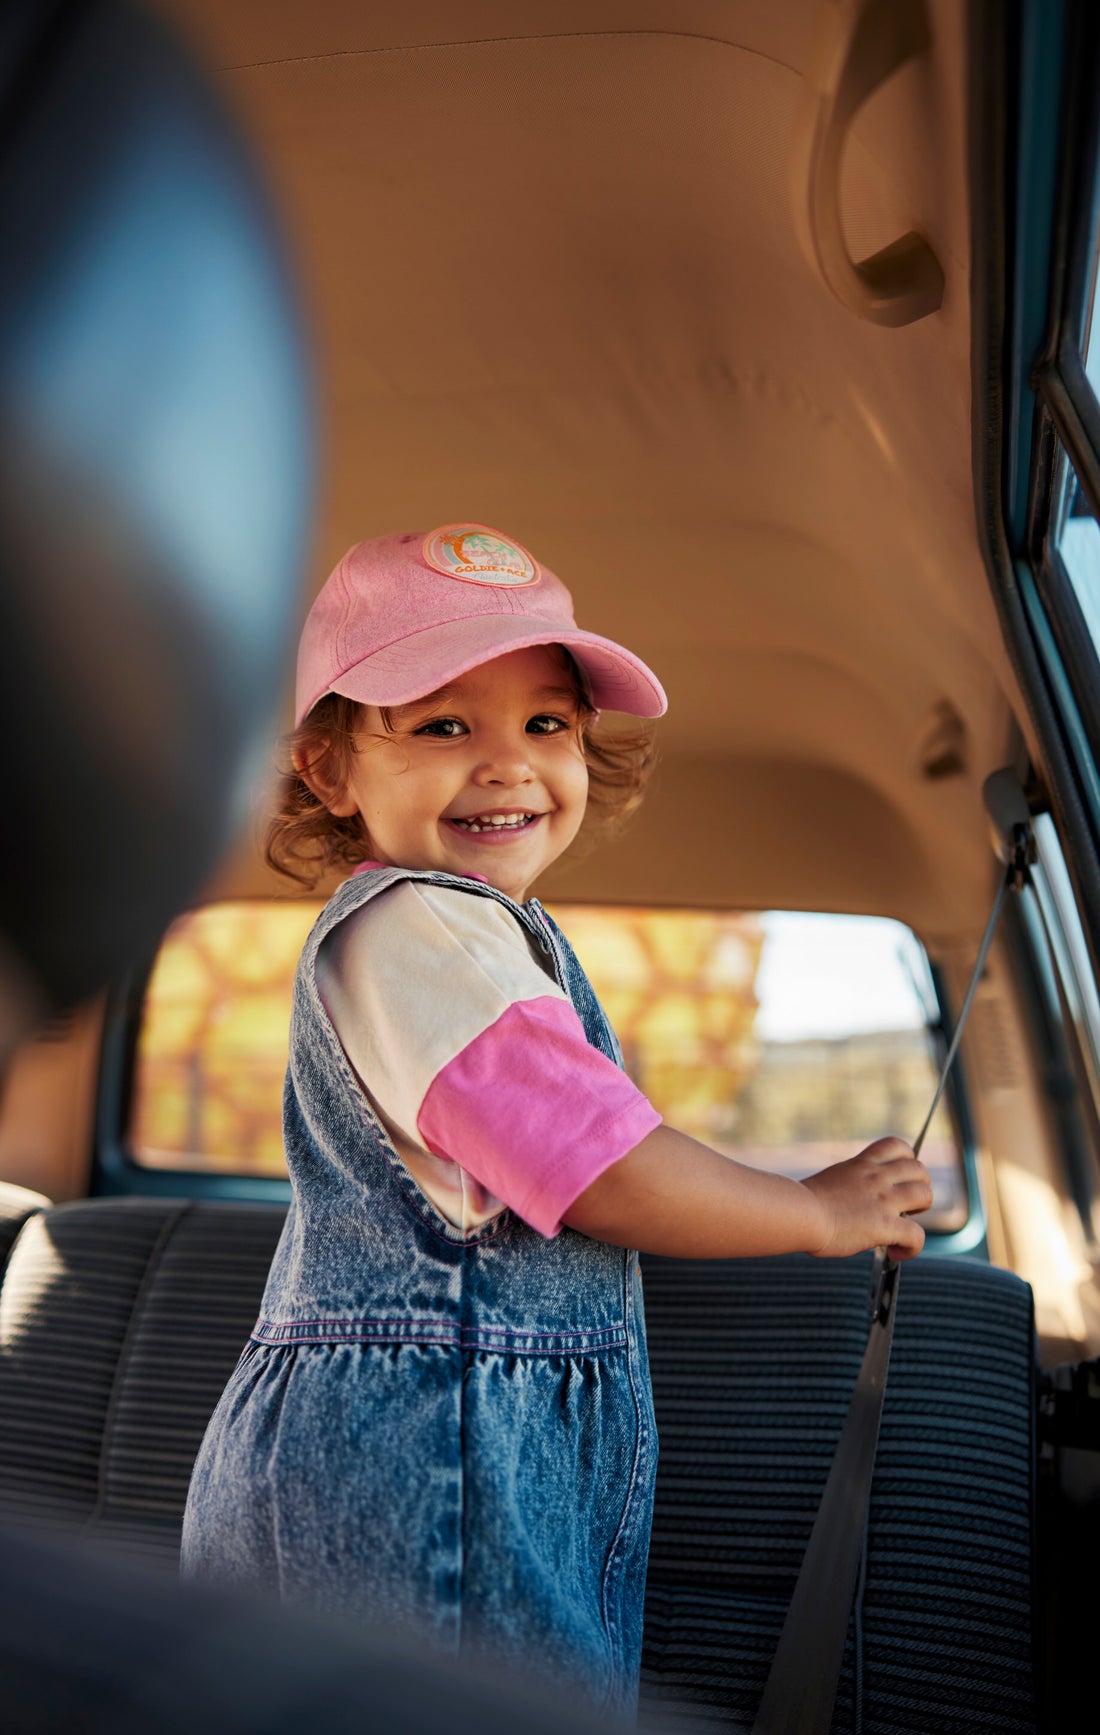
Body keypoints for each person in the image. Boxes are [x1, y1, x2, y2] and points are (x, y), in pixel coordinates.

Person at [181, 522, 933, 1721]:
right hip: (429, 1452)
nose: (509, 764)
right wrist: (813, 1207)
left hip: (433, 1443)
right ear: (329, 768)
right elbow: (600, 1167)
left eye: (547, 724)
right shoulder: (421, 928)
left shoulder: (467, 944)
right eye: (442, 726)